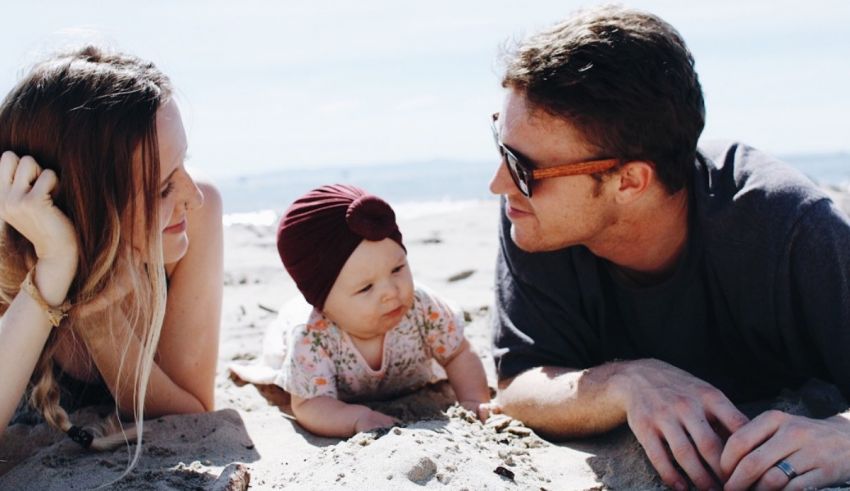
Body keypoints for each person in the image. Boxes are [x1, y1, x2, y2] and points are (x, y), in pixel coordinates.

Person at [488, 5, 850, 491]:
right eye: (501, 144)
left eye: (523, 167)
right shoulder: (534, 218)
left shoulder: (788, 226)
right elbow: (517, 384)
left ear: (631, 181)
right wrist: (624, 382)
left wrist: (842, 438)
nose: (499, 184)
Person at [0, 46, 223, 468]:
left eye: (185, 163)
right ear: (82, 207)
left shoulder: (197, 215)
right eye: (161, 188)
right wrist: (57, 262)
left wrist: (100, 320)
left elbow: (193, 413)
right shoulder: (7, 254)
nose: (190, 197)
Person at [272, 184, 489, 438]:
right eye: (366, 288)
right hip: (296, 339)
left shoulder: (422, 307)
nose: (391, 291)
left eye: (397, 269)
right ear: (321, 303)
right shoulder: (312, 335)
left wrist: (474, 399)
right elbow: (309, 404)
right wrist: (356, 418)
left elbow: (459, 353)